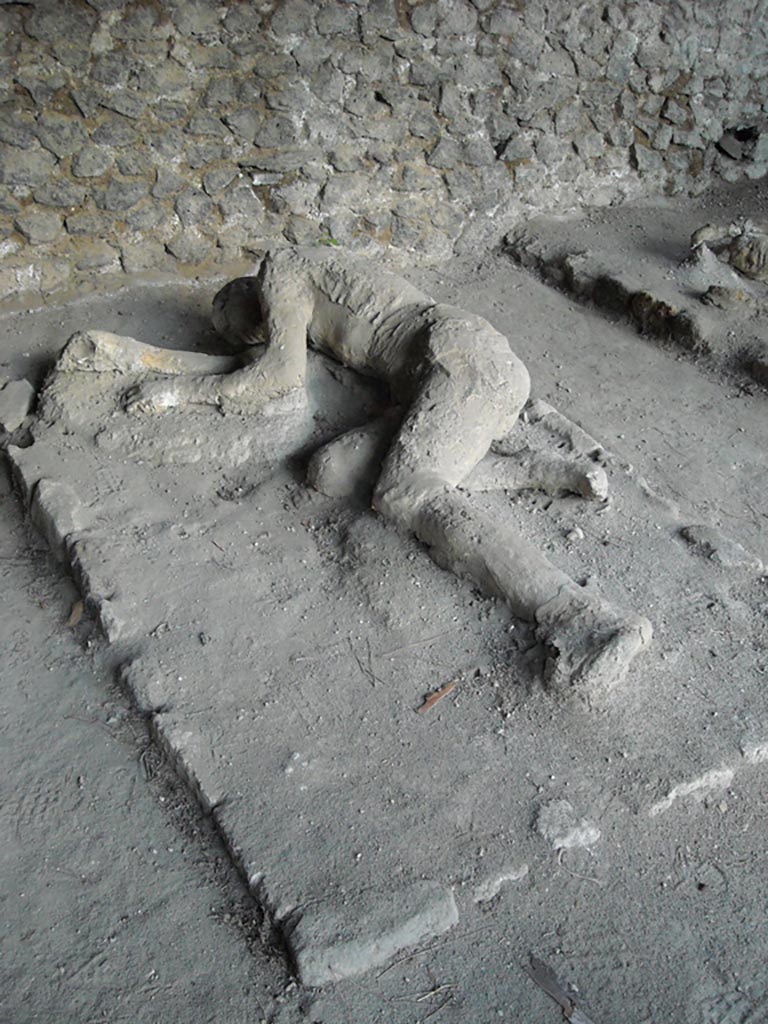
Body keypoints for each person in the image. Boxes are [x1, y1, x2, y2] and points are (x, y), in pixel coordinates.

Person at [57, 246, 652, 699]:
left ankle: (580, 617)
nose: (251, 340)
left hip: (461, 363)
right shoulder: (321, 269)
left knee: (405, 491)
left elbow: (275, 377)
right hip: (446, 374)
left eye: (240, 331)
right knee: (332, 469)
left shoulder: (282, 271)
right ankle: (531, 470)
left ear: (249, 302)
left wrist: (175, 393)